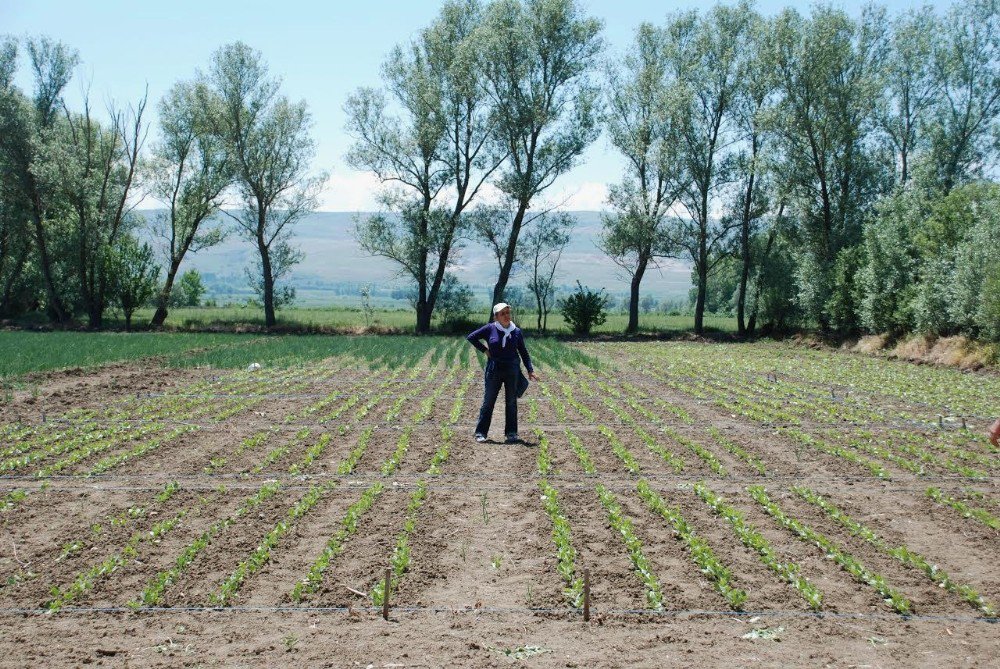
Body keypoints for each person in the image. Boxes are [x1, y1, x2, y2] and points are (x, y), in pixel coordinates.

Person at [466, 303, 540, 443]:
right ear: (496, 317)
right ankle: (480, 432)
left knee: (511, 402)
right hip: (494, 369)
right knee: (488, 401)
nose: (506, 316)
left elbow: (523, 352)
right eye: (502, 313)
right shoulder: (490, 328)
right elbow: (471, 337)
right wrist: (485, 350)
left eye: (507, 312)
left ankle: (511, 433)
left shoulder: (516, 331)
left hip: (512, 369)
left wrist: (530, 370)